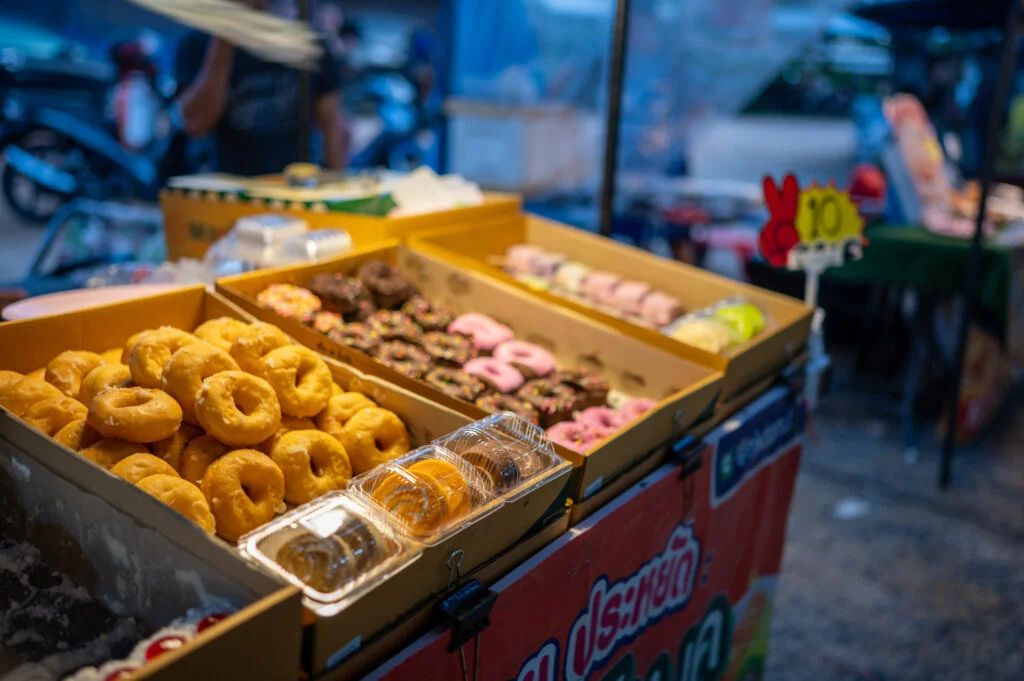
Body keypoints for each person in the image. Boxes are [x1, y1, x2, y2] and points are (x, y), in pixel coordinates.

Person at [174, 0, 345, 175]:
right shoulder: (197, 43)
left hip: (295, 188)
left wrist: (339, 187)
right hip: (226, 192)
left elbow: (331, 124)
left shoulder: (307, 42)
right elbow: (196, 124)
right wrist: (226, 32)